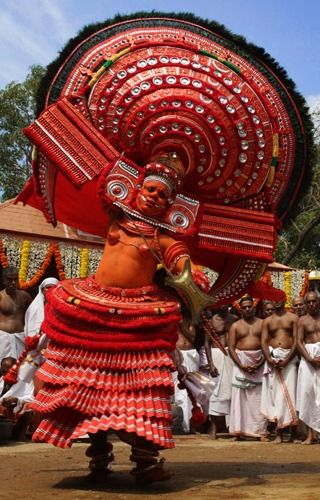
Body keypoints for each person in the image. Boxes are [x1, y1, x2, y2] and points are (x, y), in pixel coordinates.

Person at [30, 152, 211, 484]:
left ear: (170, 204)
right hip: (94, 304)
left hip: (137, 315)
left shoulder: (163, 238)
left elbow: (183, 265)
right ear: (137, 189)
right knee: (85, 385)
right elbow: (99, 175)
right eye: (150, 189)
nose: (154, 196)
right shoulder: (116, 217)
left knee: (142, 391)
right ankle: (99, 459)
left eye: (162, 194)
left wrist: (192, 275)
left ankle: (145, 464)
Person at [228, 297, 268, 441]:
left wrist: (260, 362)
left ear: (254, 307)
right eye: (244, 307)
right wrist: (241, 365)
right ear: (240, 309)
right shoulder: (235, 326)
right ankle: (239, 431)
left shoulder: (263, 324)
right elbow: (231, 348)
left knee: (258, 398)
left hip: (260, 362)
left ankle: (260, 432)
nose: (247, 309)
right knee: (240, 398)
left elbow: (266, 346)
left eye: (249, 306)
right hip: (241, 362)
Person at [261, 299, 299, 443]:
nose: (276, 302)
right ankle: (279, 433)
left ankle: (294, 433)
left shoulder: (293, 318)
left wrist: (288, 359)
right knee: (275, 396)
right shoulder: (267, 321)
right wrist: (269, 358)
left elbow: (296, 340)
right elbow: (264, 341)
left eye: (278, 298)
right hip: (273, 360)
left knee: (291, 395)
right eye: (274, 297)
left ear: (283, 300)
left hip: (289, 360)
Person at [199, 306, 237, 439]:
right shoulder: (212, 321)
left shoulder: (233, 319)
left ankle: (232, 427)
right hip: (216, 356)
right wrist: (210, 363)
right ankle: (214, 426)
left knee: (233, 390)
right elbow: (207, 342)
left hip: (231, 356)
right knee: (215, 392)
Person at [296, 291, 320, 444]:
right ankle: (310, 435)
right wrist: (310, 359)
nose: (312, 304)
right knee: (307, 394)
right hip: (308, 359)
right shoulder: (302, 321)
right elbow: (298, 342)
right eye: (309, 302)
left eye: (314, 301)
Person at [0, 266, 32, 359]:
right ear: (4, 281)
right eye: (10, 280)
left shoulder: (25, 296)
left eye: (15, 279)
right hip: (3, 338)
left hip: (20, 338)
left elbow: (33, 315)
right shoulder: (1, 296)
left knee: (20, 369)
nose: (13, 283)